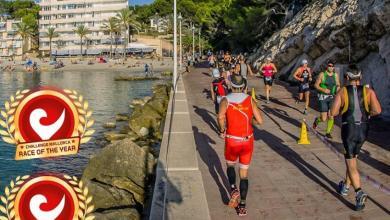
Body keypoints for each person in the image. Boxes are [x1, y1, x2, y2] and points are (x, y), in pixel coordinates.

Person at [330, 64, 381, 211]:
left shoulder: (342, 92)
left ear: (346, 77)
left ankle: (359, 192)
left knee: (351, 164)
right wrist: (368, 113)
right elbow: (377, 110)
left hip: (349, 129)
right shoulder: (368, 91)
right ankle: (346, 186)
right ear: (360, 77)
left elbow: (333, 112)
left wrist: (340, 107)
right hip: (364, 130)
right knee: (353, 158)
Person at [218, 75, 263, 216]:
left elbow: (220, 117)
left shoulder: (225, 100)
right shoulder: (250, 100)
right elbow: (260, 121)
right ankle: (242, 206)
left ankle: (233, 188)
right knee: (244, 174)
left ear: (230, 86)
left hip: (232, 140)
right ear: (244, 86)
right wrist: (250, 121)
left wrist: (222, 130)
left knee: (230, 165)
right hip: (247, 140)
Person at [313, 60, 341, 139]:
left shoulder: (336, 75)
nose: (330, 67)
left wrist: (338, 88)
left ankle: (328, 132)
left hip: (332, 97)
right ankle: (317, 120)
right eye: (329, 65)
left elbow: (338, 84)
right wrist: (323, 90)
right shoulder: (322, 74)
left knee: (331, 115)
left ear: (334, 67)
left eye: (332, 66)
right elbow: (316, 85)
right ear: (327, 66)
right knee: (323, 118)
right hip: (323, 97)